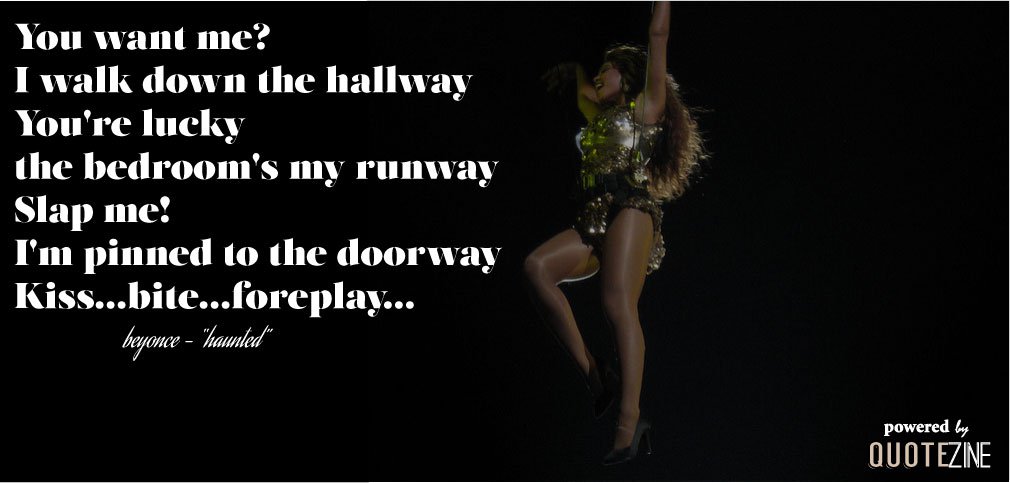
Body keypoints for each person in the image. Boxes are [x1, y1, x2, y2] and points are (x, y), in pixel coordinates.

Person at [524, 1, 704, 465]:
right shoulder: (598, 117)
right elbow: (584, 90)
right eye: (599, 72)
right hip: (596, 220)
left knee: (615, 304)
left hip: (632, 210)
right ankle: (594, 373)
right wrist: (575, 70)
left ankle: (629, 421)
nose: (600, 77)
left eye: (608, 70)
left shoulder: (646, 108)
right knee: (537, 268)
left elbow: (658, 37)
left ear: (628, 78)